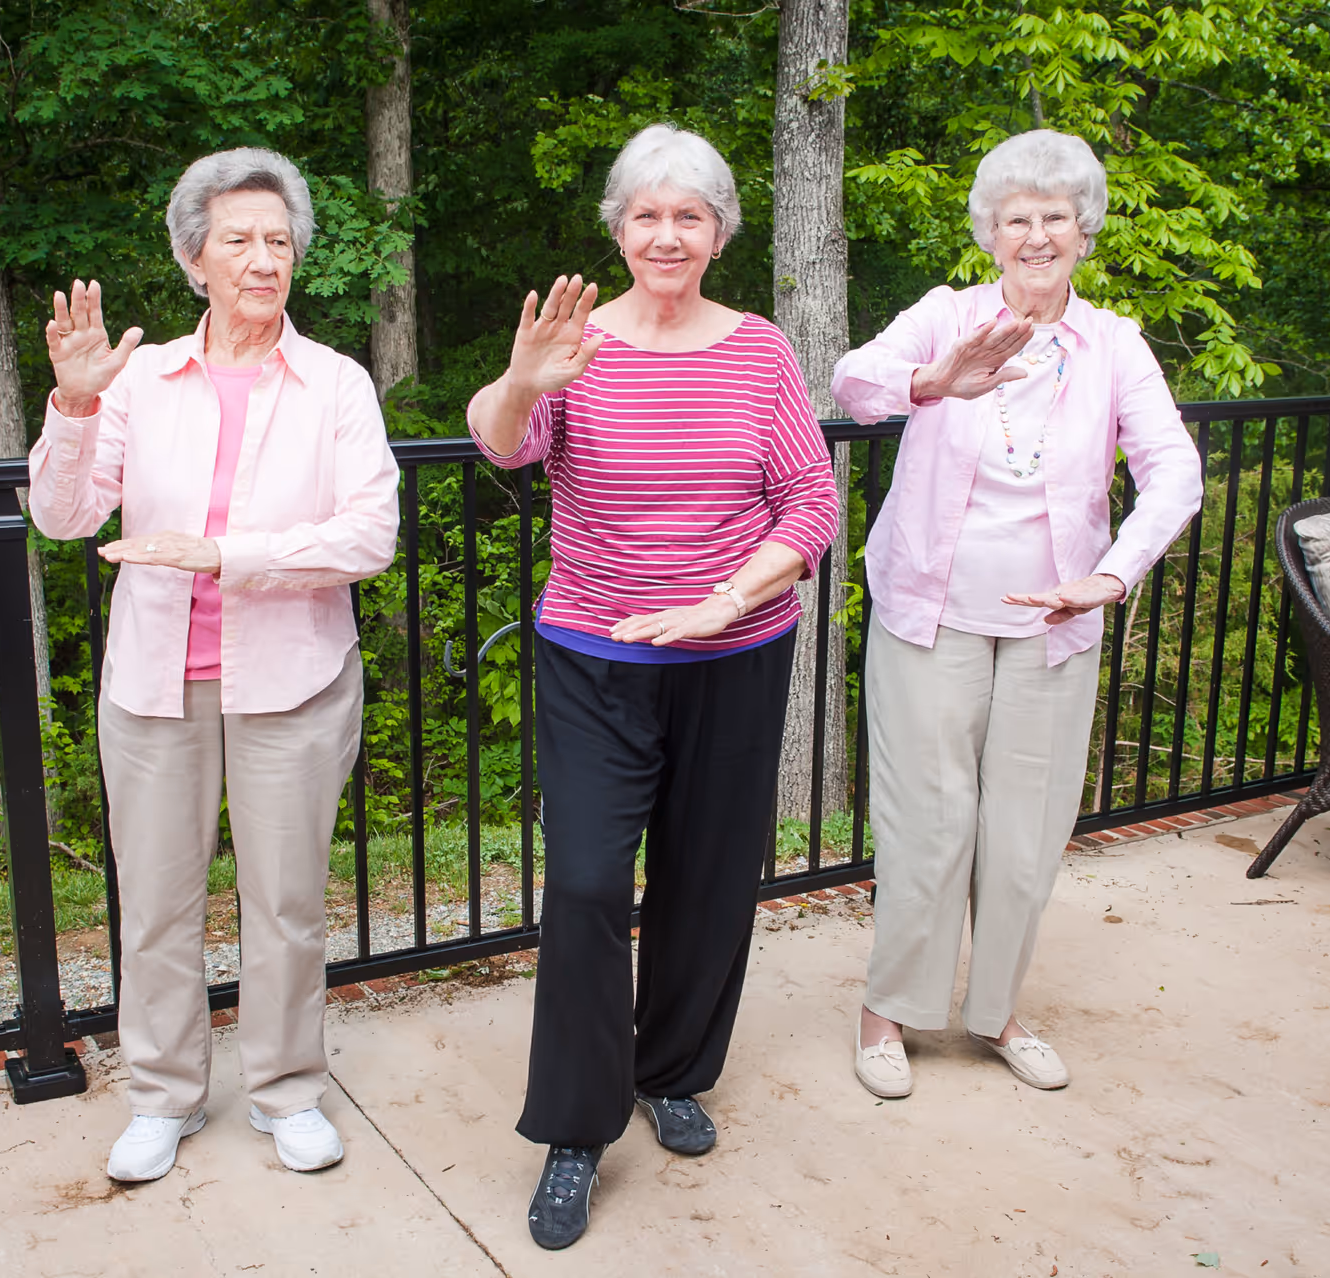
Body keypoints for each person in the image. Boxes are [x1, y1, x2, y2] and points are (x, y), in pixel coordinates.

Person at [466, 123, 840, 1250]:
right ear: (618, 231)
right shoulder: (578, 347)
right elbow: (499, 445)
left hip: (736, 652)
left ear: (718, 233)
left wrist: (725, 601)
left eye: (689, 216)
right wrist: (523, 380)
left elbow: (809, 507)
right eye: (646, 215)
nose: (666, 234)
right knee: (585, 883)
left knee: (710, 875)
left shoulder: (759, 351)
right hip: (598, 654)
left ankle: (672, 1069)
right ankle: (577, 1127)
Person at [28, 147, 399, 1181]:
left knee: (285, 903)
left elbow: (371, 535)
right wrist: (72, 407)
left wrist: (228, 558)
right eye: (237, 239)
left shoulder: (335, 383)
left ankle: (285, 1092)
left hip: (293, 679)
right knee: (155, 900)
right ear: (194, 258)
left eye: (278, 240)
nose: (261, 259)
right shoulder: (137, 381)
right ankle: (166, 1095)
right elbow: (64, 517)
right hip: (154, 680)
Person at [832, 129, 1202, 1100]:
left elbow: (1174, 473)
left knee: (1028, 831)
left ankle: (995, 1013)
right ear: (991, 233)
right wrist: (932, 380)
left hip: (1052, 625)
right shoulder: (946, 316)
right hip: (931, 613)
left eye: (1054, 216)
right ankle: (889, 1011)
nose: (1036, 235)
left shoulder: (1115, 345)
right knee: (927, 822)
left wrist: (1112, 576)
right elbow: (849, 380)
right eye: (1016, 218)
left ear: (1084, 229)